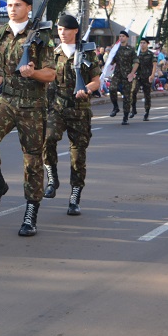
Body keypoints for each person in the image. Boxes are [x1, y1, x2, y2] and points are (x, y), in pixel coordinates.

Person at [0, 0, 56, 236]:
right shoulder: (0, 34)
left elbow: (51, 74)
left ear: (29, 8)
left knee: (32, 160)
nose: (12, 8)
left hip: (33, 104)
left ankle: (31, 211)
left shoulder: (42, 35)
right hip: (7, 99)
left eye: (18, 5)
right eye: (9, 5)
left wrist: (34, 73)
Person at [42, 14, 101, 216]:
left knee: (78, 157)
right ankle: (52, 177)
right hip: (57, 107)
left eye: (66, 29)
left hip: (80, 109)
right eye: (59, 30)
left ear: (75, 31)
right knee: (47, 138)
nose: (62, 33)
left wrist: (87, 89)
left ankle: (75, 197)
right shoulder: (53, 53)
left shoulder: (87, 52)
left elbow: (96, 80)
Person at [107, 31, 138, 125]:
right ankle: (115, 107)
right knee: (112, 88)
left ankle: (125, 117)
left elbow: (136, 62)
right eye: (120, 36)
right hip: (117, 73)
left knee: (127, 96)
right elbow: (112, 61)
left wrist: (132, 73)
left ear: (127, 38)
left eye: (123, 36)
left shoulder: (131, 49)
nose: (121, 38)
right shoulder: (116, 49)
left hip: (127, 74)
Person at [129, 38, 156, 121]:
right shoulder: (137, 54)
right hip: (138, 76)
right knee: (133, 92)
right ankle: (133, 109)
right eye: (141, 43)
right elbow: (134, 65)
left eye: (144, 43)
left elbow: (154, 65)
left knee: (147, 95)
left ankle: (146, 112)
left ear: (147, 44)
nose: (142, 44)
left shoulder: (150, 54)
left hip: (147, 77)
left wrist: (152, 75)